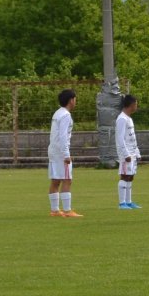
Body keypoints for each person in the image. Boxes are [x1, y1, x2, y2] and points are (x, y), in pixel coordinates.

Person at [48, 88, 82, 217]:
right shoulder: (66, 115)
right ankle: (67, 211)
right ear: (71, 100)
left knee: (55, 180)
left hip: (53, 150)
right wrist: (66, 154)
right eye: (75, 99)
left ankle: (55, 210)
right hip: (60, 152)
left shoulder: (57, 113)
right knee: (67, 179)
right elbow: (63, 136)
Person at [116, 94, 143, 209]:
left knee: (130, 176)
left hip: (132, 152)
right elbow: (120, 138)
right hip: (125, 153)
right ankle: (122, 203)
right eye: (136, 104)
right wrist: (125, 154)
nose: (137, 106)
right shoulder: (122, 119)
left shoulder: (129, 119)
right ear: (131, 104)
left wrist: (137, 152)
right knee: (124, 176)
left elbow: (132, 137)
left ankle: (129, 201)